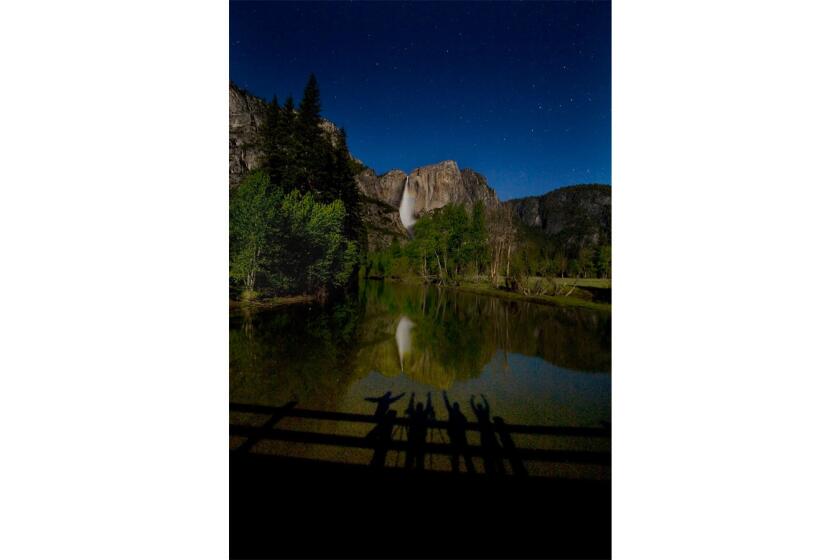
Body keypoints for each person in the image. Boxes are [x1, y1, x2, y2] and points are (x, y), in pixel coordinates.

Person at [470, 394, 505, 475]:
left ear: (478, 407)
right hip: (489, 431)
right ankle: (499, 466)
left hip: (485, 432)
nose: (479, 407)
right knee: (493, 448)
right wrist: (483, 398)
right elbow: (487, 406)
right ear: (481, 407)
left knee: (487, 449)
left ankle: (491, 467)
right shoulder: (485, 412)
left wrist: (472, 399)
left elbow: (473, 407)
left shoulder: (479, 413)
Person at [443, 391, 475, 474]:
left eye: (456, 406)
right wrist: (445, 395)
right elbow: (447, 404)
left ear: (457, 407)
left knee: (463, 454)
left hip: (459, 436)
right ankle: (458, 470)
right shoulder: (458, 414)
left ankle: (468, 470)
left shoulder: (460, 415)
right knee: (456, 455)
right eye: (455, 406)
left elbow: (465, 422)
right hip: (456, 436)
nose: (455, 408)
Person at [404, 392, 434, 470]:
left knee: (410, 458)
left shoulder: (414, 413)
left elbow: (410, 406)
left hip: (413, 437)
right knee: (419, 458)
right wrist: (429, 397)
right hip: (420, 437)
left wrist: (412, 397)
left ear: (417, 407)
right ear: (421, 407)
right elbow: (428, 406)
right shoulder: (423, 414)